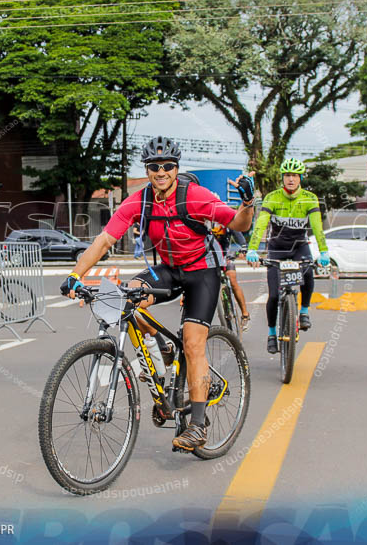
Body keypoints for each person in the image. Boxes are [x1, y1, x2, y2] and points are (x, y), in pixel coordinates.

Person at [60, 136, 256, 452]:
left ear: (176, 169)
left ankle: (198, 426)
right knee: (124, 298)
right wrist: (73, 276)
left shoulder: (194, 196)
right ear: (147, 169)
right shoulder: (138, 201)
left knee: (193, 344)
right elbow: (103, 241)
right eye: (154, 166)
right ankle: (161, 345)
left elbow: (237, 222)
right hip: (167, 268)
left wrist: (247, 204)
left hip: (201, 273)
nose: (161, 171)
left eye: (167, 166)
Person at [246, 159, 330, 354]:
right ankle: (272, 333)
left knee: (308, 274)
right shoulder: (272, 198)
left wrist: (324, 251)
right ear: (282, 178)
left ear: (300, 178)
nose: (290, 179)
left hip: (300, 246)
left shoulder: (310, 198)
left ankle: (304, 311)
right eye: (287, 176)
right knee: (274, 295)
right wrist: (253, 249)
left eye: (294, 176)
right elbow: (260, 224)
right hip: (277, 248)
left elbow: (317, 227)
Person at [212, 224, 251, 331]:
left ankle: (245, 314)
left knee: (232, 280)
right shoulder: (204, 221)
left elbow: (239, 237)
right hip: (209, 258)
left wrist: (243, 247)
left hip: (225, 256)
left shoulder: (226, 221)